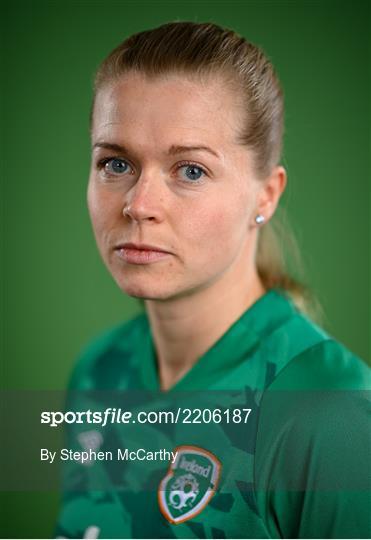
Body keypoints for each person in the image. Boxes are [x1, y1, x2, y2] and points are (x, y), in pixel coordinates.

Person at [55, 21, 370, 539]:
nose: (138, 204)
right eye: (116, 162)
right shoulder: (98, 371)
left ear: (265, 195)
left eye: (191, 171)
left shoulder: (328, 414)